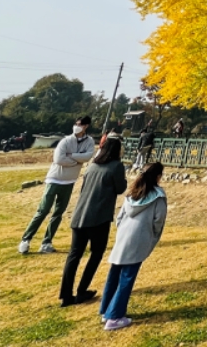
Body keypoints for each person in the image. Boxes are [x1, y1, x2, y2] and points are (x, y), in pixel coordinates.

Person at [98, 161, 167, 331]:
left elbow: (119, 217)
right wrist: (152, 236)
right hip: (139, 238)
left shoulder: (132, 193)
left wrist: (122, 232)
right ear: (158, 176)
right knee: (127, 278)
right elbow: (158, 220)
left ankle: (106, 310)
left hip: (123, 237)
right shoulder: (158, 196)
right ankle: (114, 317)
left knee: (114, 274)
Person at [60, 136, 127, 307]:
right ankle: (82, 290)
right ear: (117, 150)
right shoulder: (116, 166)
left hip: (80, 215)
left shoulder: (92, 166)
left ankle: (66, 295)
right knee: (96, 253)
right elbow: (120, 188)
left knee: (74, 255)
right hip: (99, 218)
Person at [19, 115, 95, 255]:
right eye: (76, 123)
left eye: (81, 124)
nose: (77, 126)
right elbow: (59, 159)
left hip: (69, 181)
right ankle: (26, 240)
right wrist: (77, 160)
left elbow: (88, 156)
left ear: (86, 126)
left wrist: (71, 155)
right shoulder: (65, 141)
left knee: (58, 213)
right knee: (43, 211)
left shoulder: (89, 141)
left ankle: (46, 242)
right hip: (54, 179)